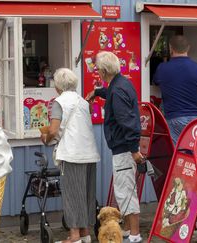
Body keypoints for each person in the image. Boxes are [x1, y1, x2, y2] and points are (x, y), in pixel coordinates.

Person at [86, 51, 143, 243]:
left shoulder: (117, 90)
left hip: (124, 148)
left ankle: (134, 235)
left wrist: (134, 150)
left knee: (126, 191)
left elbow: (128, 122)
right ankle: (127, 230)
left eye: (98, 71)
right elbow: (111, 93)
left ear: (103, 71)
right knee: (124, 190)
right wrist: (97, 92)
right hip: (124, 147)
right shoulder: (121, 83)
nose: (98, 74)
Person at [41, 68, 100, 243]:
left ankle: (74, 237)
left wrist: (45, 138)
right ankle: (85, 234)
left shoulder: (59, 102)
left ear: (58, 85)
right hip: (89, 153)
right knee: (86, 194)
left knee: (73, 195)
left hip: (72, 154)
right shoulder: (83, 102)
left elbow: (53, 130)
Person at [153, 35, 197, 145]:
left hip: (175, 118)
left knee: (179, 152)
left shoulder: (162, 68)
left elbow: (156, 83)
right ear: (188, 48)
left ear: (171, 48)